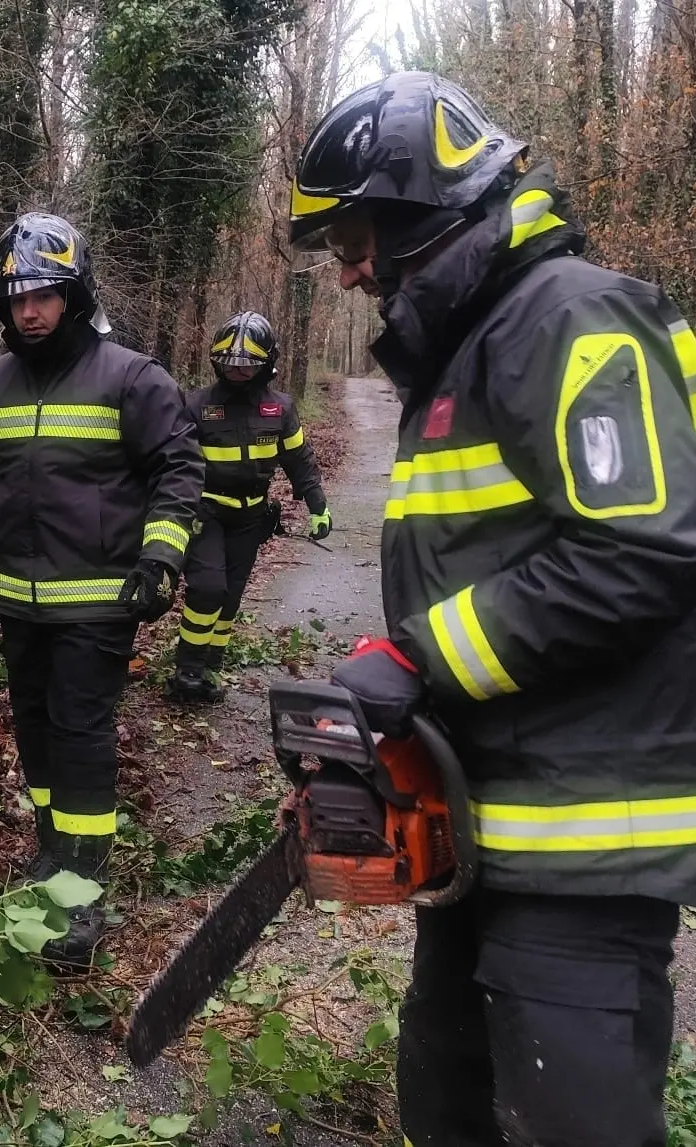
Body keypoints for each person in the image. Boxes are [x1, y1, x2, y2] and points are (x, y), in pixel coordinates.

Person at [293, 70, 696, 1146]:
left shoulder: (576, 319)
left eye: (354, 238)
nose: (348, 273)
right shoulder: (466, 352)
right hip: (490, 830)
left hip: (580, 843)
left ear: (424, 209)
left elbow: (639, 551)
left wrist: (418, 659)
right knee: (446, 1099)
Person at [0, 211, 205, 965]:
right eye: (16, 297)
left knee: (80, 733)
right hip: (17, 599)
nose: (28, 309)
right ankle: (52, 851)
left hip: (97, 601)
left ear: (74, 294)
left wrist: (160, 559)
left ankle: (83, 888)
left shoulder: (130, 375)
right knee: (33, 728)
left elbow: (178, 472)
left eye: (44, 294)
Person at [166, 311, 330, 703]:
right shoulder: (196, 406)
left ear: (266, 363)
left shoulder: (280, 408)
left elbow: (299, 459)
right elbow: (173, 463)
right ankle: (187, 668)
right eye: (230, 363)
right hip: (204, 512)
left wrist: (317, 505)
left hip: (251, 517)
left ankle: (211, 665)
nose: (237, 370)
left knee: (230, 596)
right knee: (207, 588)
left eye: (247, 364)